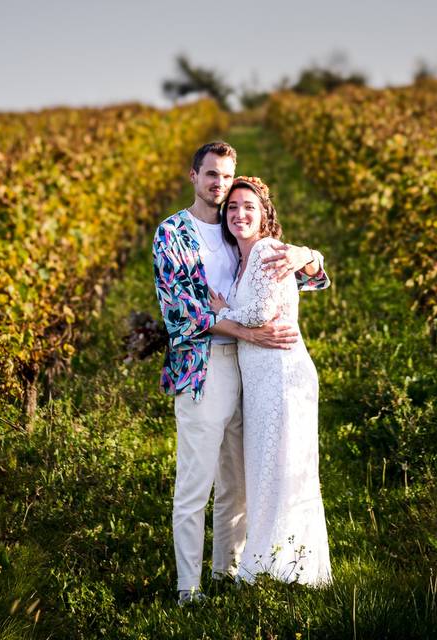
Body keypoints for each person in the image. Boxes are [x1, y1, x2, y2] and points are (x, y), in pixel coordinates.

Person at [151, 141, 329, 605]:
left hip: (254, 373)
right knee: (195, 485)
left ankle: (228, 572)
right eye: (210, 174)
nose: (218, 184)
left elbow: (306, 278)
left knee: (239, 482)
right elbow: (181, 315)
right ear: (193, 176)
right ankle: (188, 589)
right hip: (204, 368)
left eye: (226, 177)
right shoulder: (172, 233)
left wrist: (307, 253)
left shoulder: (237, 234)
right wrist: (248, 333)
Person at [209, 176, 332, 586]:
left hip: (281, 376)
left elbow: (260, 314)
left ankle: (285, 570)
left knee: (282, 468)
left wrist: (221, 313)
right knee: (267, 469)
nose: (239, 214)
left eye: (249, 207)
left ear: (265, 215)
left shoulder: (264, 250)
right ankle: (272, 565)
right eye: (232, 208)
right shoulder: (240, 256)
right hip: (261, 380)